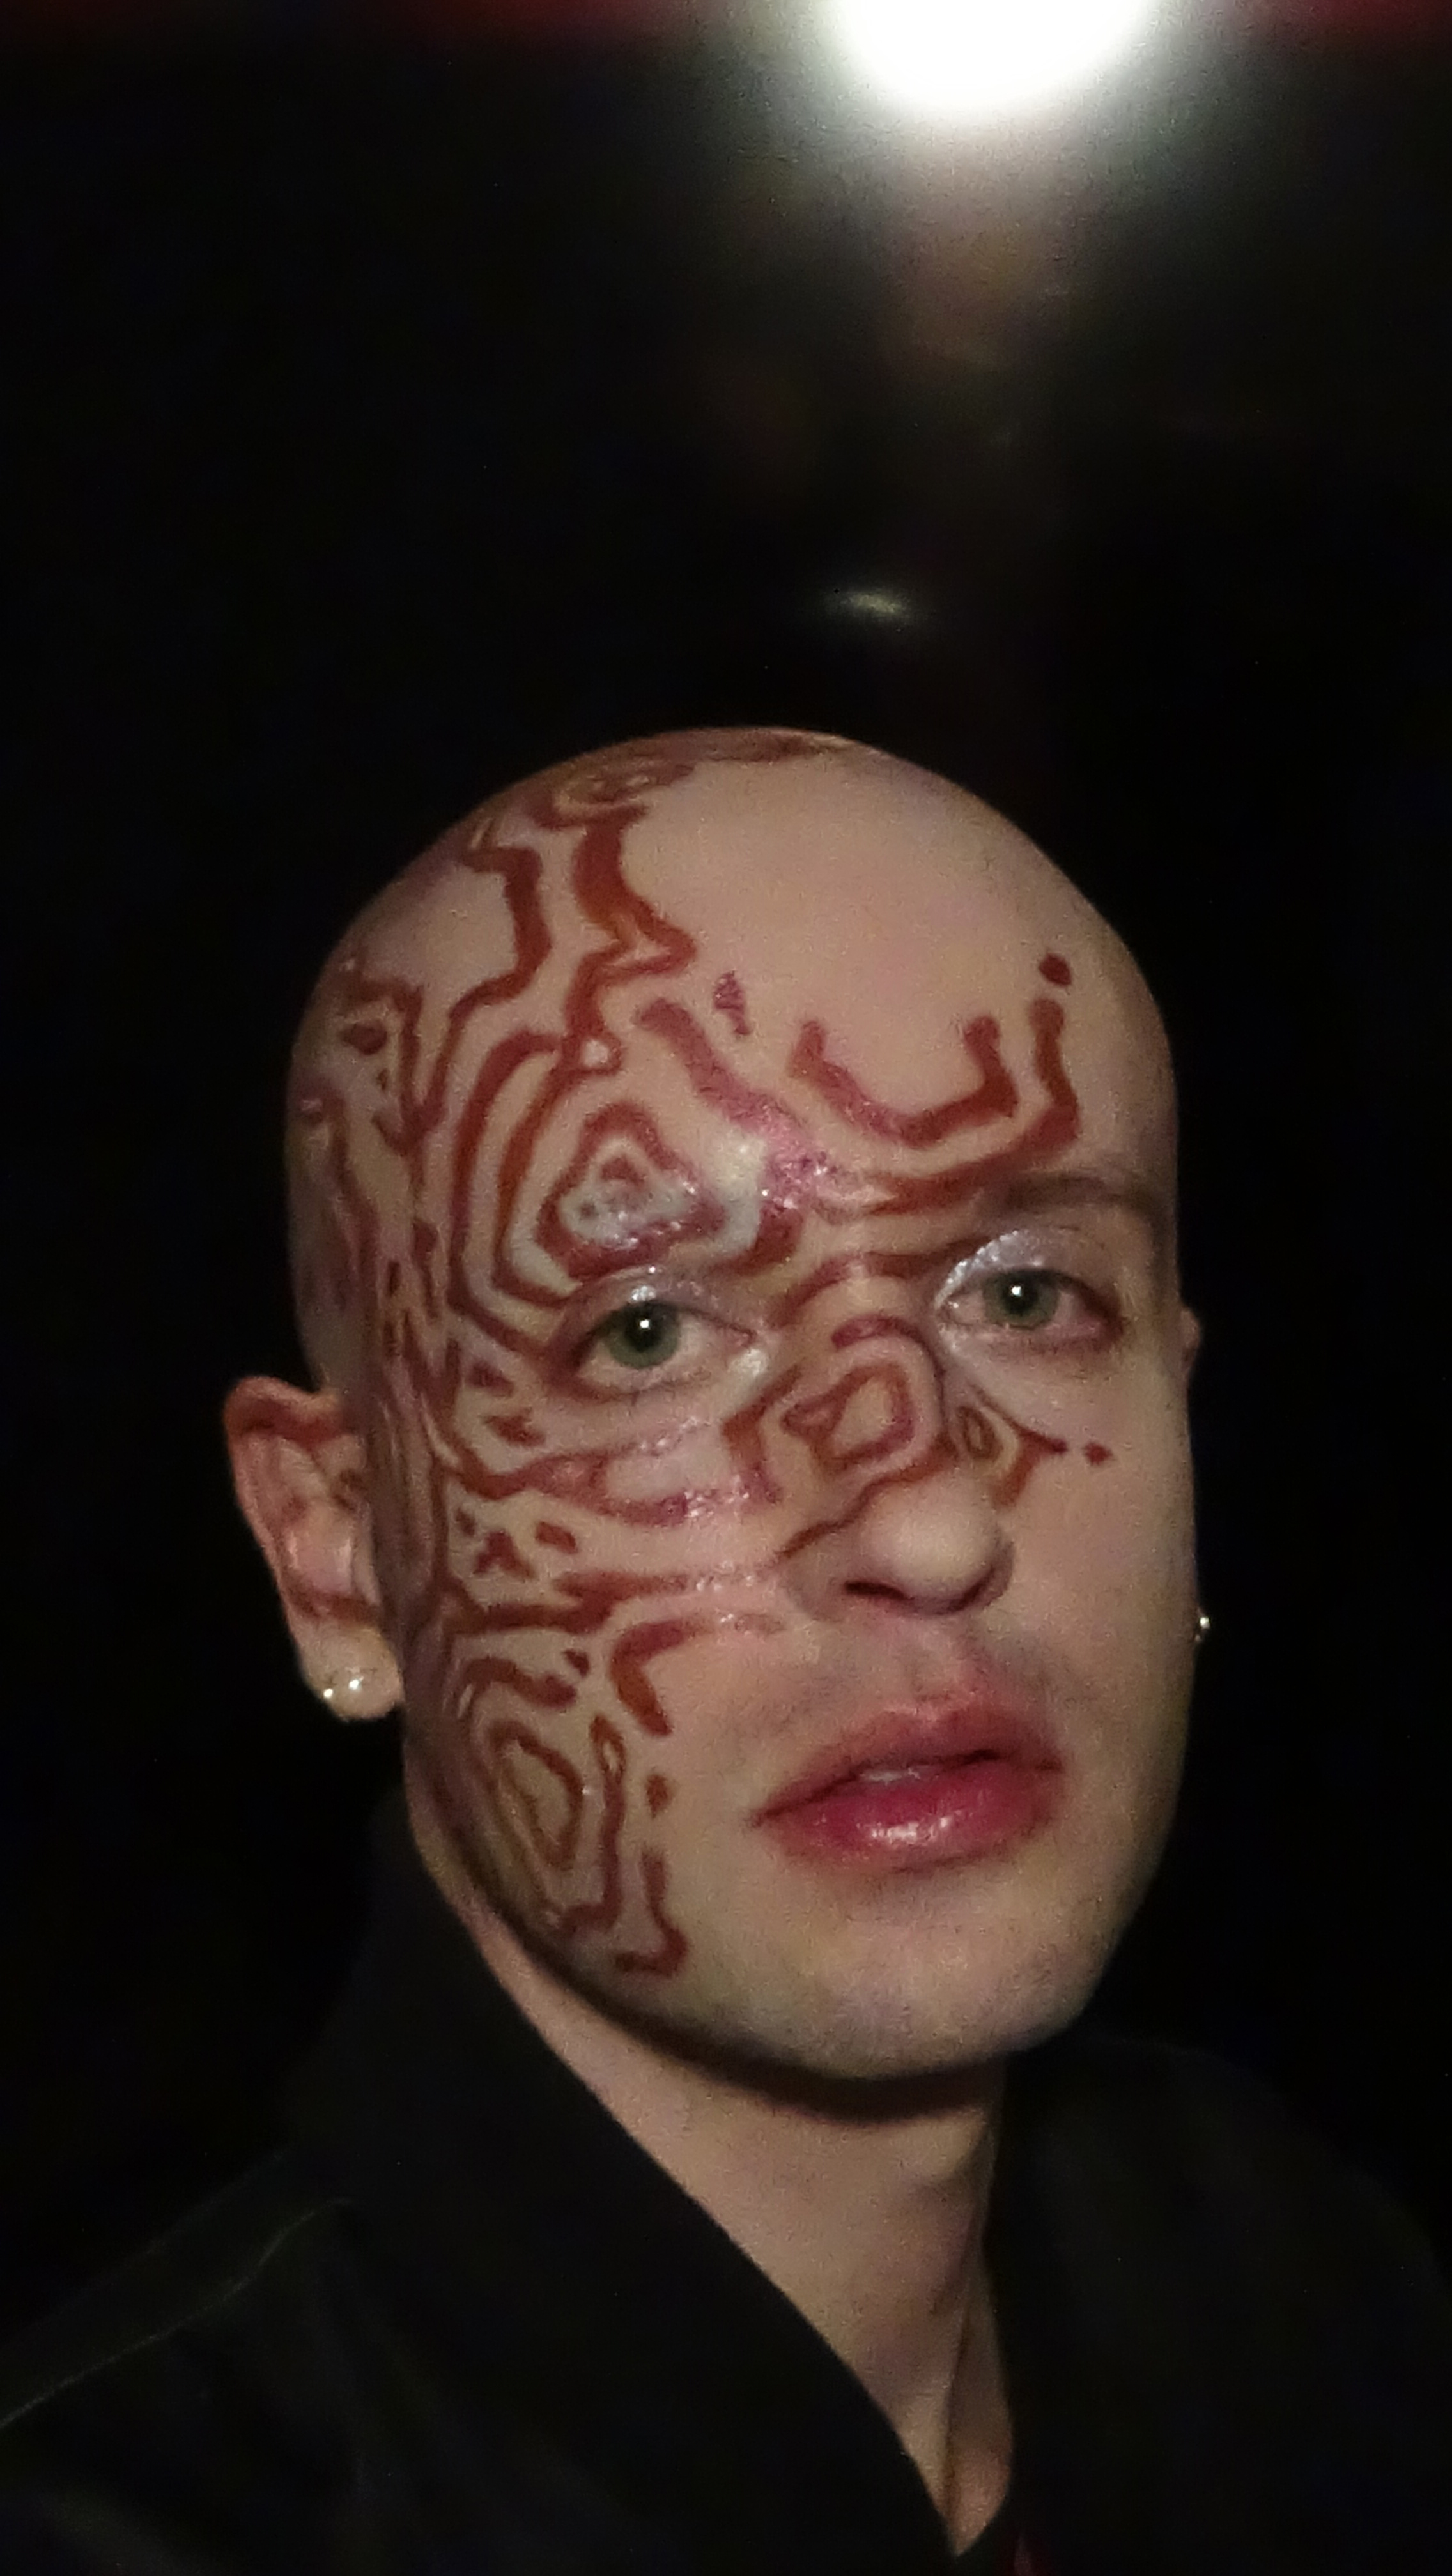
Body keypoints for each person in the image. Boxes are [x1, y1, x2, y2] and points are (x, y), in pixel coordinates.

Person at [2, 727, 1448, 2573]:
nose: (928, 1518)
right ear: (342, 1557)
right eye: (648, 1337)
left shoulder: (1295, 2292)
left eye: (1025, 1292)